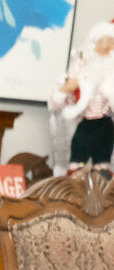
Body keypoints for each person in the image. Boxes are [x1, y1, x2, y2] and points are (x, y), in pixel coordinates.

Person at [50, 20, 114, 171]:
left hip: (105, 124)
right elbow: (69, 87)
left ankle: (102, 187)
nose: (105, 46)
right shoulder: (82, 66)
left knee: (102, 165)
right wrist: (62, 92)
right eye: (102, 42)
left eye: (110, 42)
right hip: (85, 122)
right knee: (77, 161)